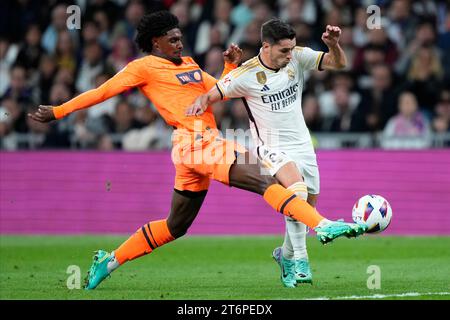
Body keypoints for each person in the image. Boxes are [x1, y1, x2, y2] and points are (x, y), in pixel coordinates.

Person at [28, 11, 367, 290]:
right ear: (154, 42)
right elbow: (102, 92)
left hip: (194, 149)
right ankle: (321, 225)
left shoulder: (188, 63)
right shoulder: (143, 67)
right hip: (197, 143)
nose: (179, 43)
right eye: (172, 39)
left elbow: (215, 90)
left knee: (176, 226)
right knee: (267, 179)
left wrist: (230, 67)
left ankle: (109, 261)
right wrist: (58, 112)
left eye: (180, 37)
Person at [186, 19, 349, 287]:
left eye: (292, 48)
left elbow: (338, 63)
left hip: (303, 144)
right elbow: (211, 93)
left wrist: (334, 45)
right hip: (270, 146)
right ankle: (301, 261)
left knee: (305, 207)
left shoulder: (297, 57)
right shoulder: (245, 74)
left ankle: (284, 255)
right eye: (284, 50)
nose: (290, 54)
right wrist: (198, 103)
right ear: (266, 46)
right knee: (296, 192)